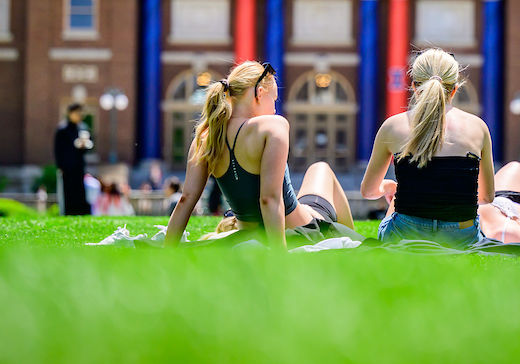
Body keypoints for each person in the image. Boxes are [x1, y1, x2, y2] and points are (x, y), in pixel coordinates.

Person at [163, 60, 355, 249]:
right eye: (274, 99)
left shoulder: (206, 136)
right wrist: (279, 257)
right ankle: (352, 246)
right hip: (302, 230)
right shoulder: (272, 126)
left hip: (249, 233)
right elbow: (269, 199)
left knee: (317, 173)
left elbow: (186, 199)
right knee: (321, 168)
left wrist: (168, 251)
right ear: (259, 93)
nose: (274, 108)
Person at [361, 48, 496, 249]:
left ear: (415, 87)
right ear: (455, 89)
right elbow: (486, 197)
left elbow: (369, 191)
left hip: (406, 235)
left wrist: (388, 187)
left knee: (398, 204)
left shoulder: (392, 126)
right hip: (461, 238)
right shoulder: (478, 127)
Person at [54, 103, 92, 215]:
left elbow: (87, 148)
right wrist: (60, 166)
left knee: (80, 191)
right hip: (67, 166)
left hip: (79, 165)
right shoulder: (62, 129)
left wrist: (84, 145)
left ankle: (81, 212)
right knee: (68, 191)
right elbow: (58, 149)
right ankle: (69, 212)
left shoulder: (83, 127)